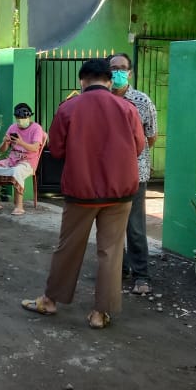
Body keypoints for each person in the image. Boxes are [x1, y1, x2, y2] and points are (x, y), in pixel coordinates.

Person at [20, 58, 145, 329]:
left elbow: (58, 150)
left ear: (82, 80)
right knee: (111, 252)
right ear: (110, 80)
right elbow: (138, 146)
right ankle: (101, 314)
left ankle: (50, 301)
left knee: (68, 248)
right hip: (120, 192)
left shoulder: (69, 108)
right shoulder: (127, 108)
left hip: (81, 192)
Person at [109, 53, 158, 295]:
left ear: (130, 72)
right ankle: (119, 268)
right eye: (113, 68)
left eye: (122, 68)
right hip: (107, 174)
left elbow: (151, 137)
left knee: (135, 226)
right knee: (111, 225)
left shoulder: (141, 101)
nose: (117, 72)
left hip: (134, 173)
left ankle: (142, 275)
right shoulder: (102, 100)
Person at [0, 103, 44, 215]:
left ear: (29, 117)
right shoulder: (12, 127)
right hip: (12, 159)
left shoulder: (36, 128)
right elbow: (2, 150)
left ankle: (19, 206)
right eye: (18, 118)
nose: (20, 121)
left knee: (17, 171)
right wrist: (5, 142)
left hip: (28, 161)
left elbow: (35, 148)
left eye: (23, 118)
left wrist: (21, 142)